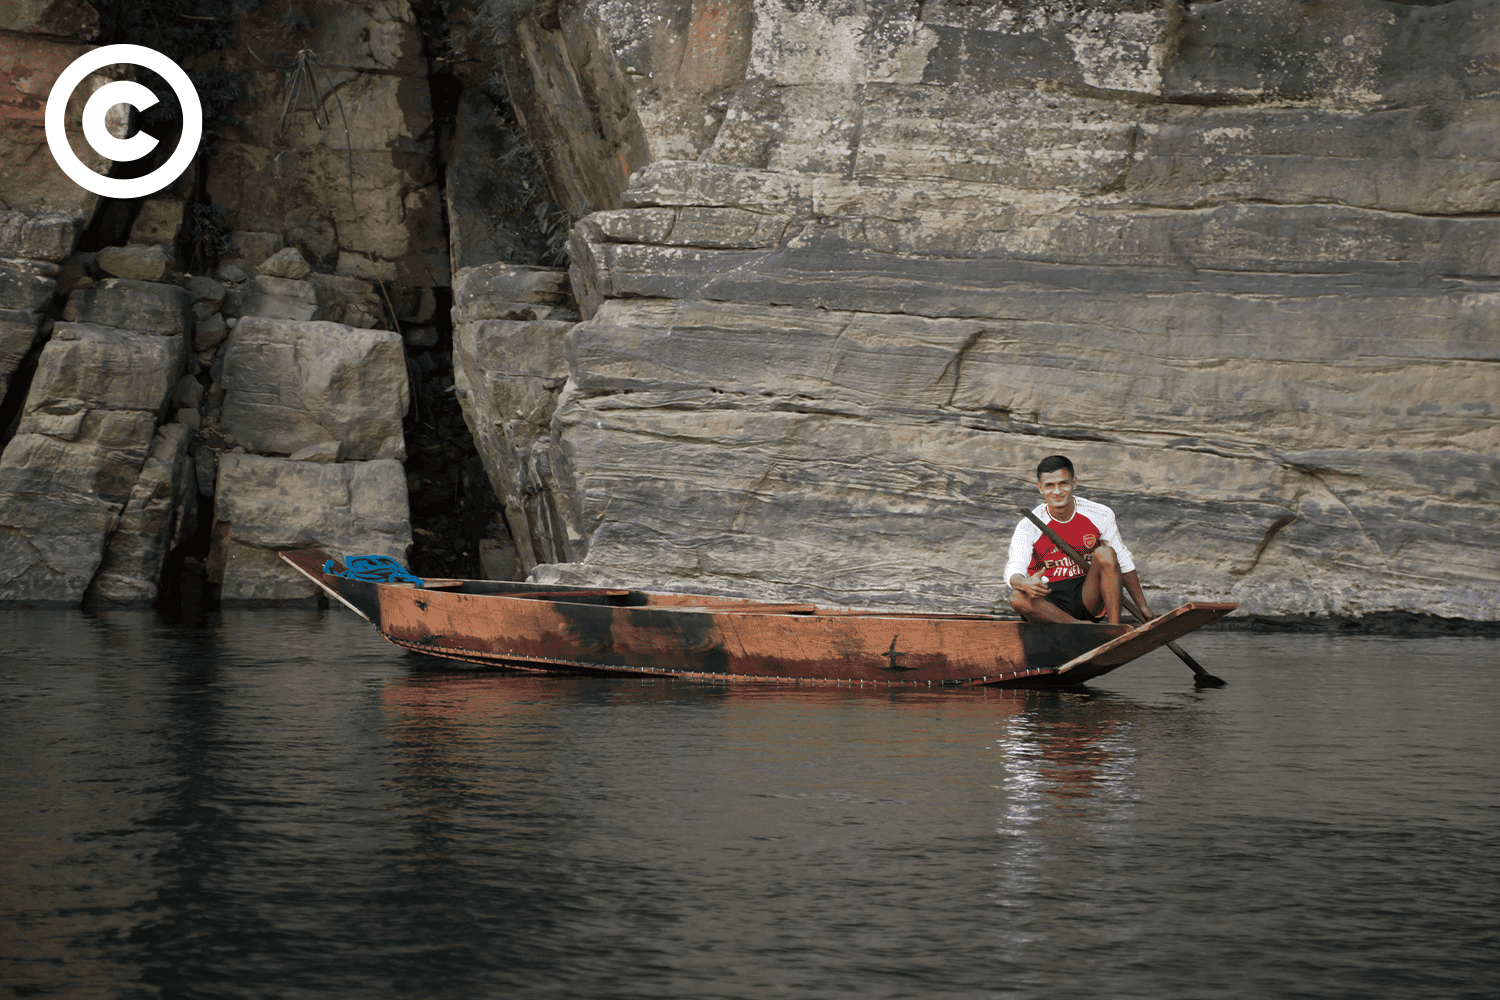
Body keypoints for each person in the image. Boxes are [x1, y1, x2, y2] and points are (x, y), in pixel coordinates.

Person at [1005, 455, 1155, 626]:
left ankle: (1115, 629)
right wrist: (1024, 583)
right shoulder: (1028, 525)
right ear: (1040, 487)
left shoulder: (1100, 514)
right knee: (1017, 597)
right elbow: (1014, 569)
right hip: (1048, 600)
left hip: (1086, 594)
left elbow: (1122, 559)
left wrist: (1141, 605)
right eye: (1049, 485)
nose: (1057, 491)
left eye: (1063, 483)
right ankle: (1079, 626)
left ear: (1074, 483)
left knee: (1106, 553)